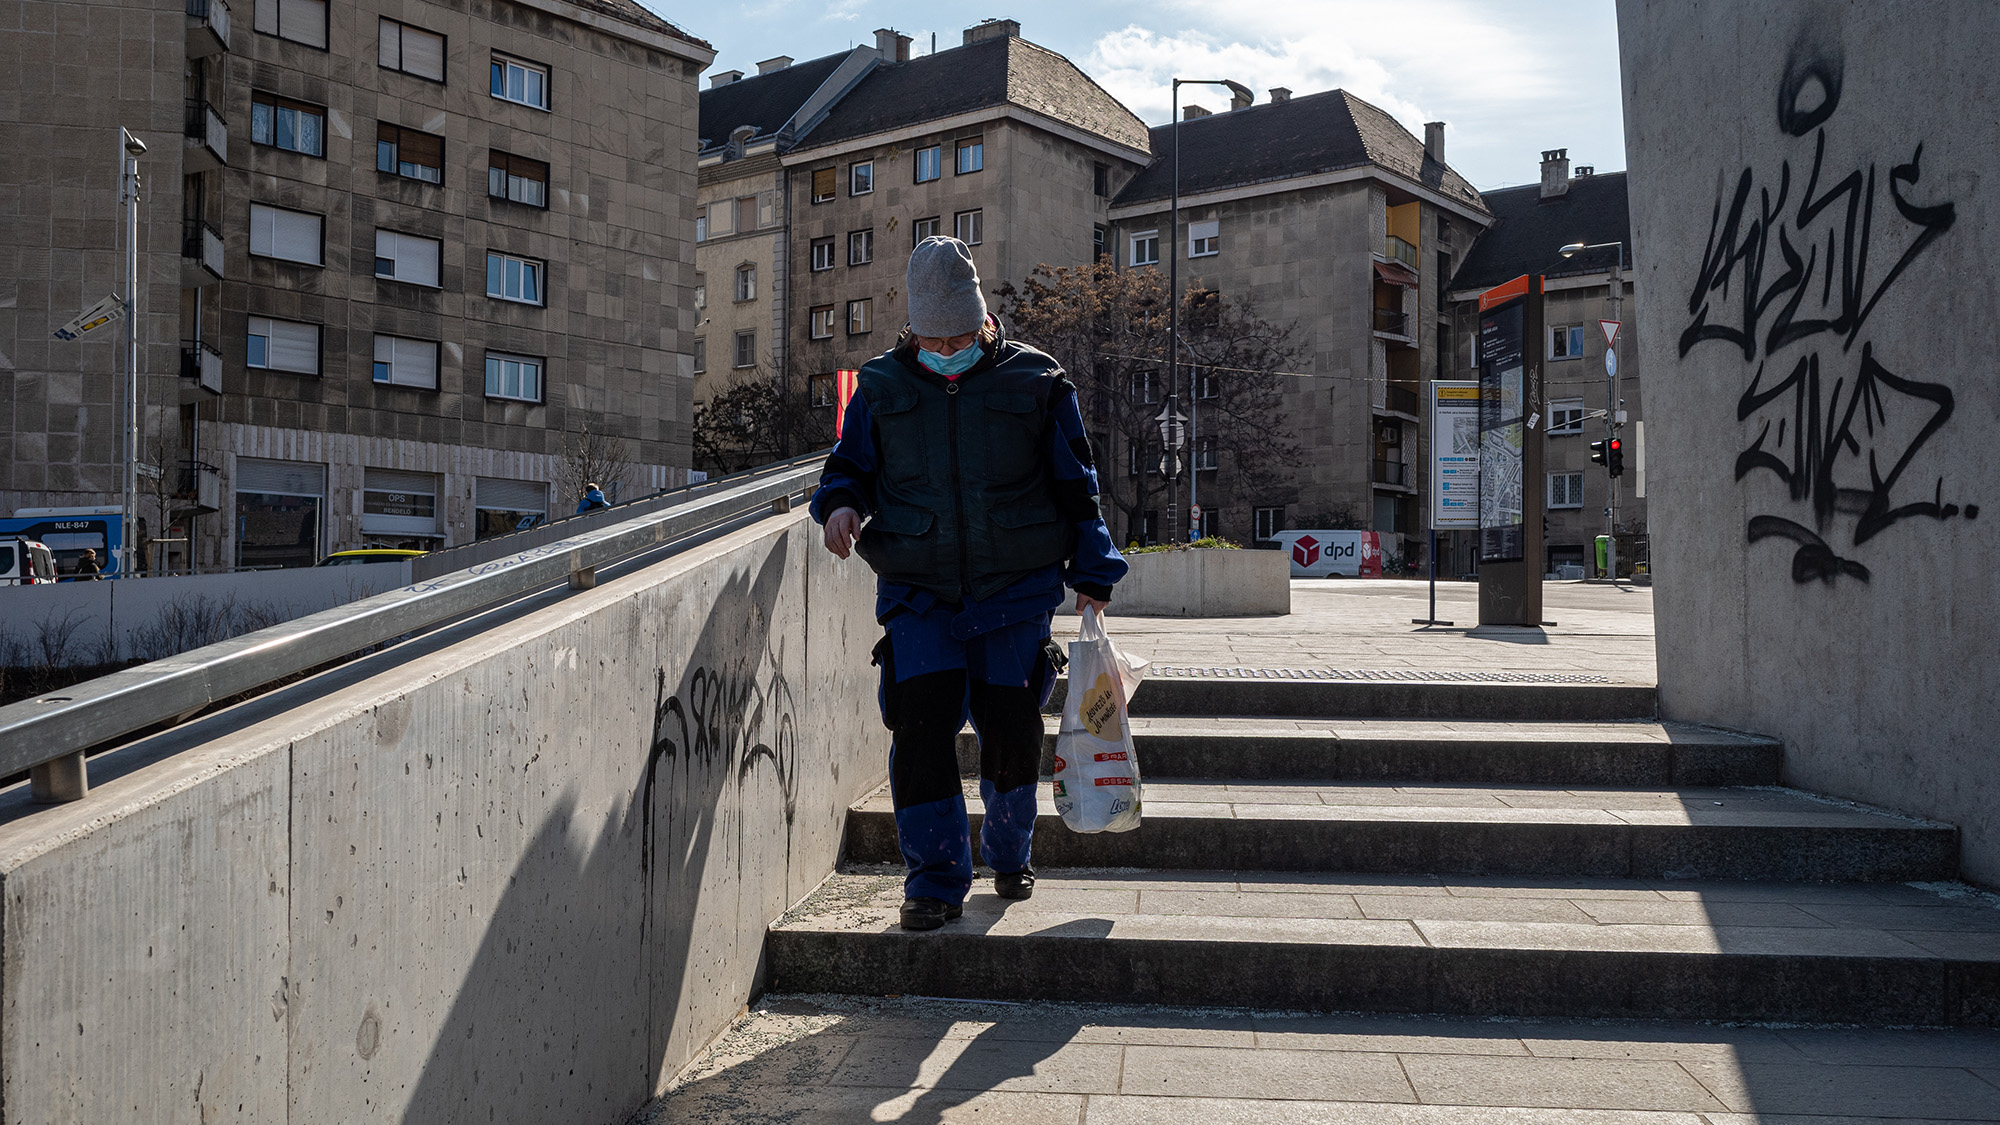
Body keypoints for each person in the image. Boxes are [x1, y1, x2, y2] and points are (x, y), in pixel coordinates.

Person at [813, 236, 1127, 931]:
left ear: (984, 320)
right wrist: (839, 505)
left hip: (1014, 592)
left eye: (961, 333)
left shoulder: (1039, 382)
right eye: (934, 337)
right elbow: (848, 470)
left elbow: (1077, 486)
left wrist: (1095, 567)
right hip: (918, 592)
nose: (948, 346)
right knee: (920, 732)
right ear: (913, 331)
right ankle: (933, 880)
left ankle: (1010, 850)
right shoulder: (881, 387)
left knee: (1011, 732)